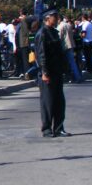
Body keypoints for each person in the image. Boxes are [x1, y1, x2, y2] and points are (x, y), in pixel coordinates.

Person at [35, 9, 68, 138]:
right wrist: (44, 72)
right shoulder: (42, 34)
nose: (57, 18)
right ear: (47, 18)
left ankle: (59, 128)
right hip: (48, 72)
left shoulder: (54, 32)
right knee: (48, 102)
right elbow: (41, 55)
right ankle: (47, 129)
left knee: (59, 101)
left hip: (57, 70)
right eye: (55, 16)